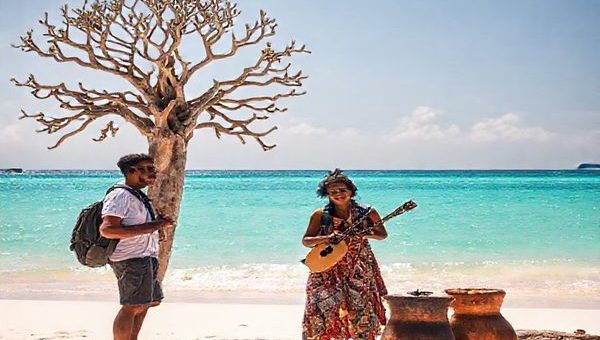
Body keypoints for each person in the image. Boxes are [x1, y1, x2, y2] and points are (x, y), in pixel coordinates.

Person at [302, 169, 389, 340]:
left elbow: (382, 234)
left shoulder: (367, 212)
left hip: (358, 266)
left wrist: (363, 233)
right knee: (321, 307)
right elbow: (306, 240)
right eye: (333, 192)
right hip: (326, 267)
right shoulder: (320, 215)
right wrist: (328, 237)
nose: (338, 194)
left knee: (360, 310)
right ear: (327, 194)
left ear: (351, 191)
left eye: (342, 190)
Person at [99, 154, 174, 340]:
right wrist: (154, 226)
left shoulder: (137, 195)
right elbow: (107, 230)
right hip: (130, 258)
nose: (153, 172)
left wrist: (157, 225)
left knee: (149, 301)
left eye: (152, 168)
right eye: (147, 168)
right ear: (131, 171)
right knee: (132, 305)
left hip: (146, 256)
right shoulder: (120, 195)